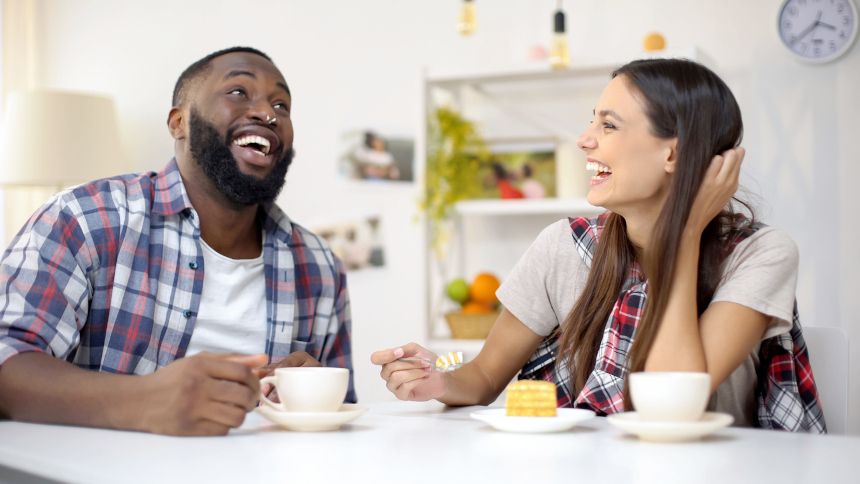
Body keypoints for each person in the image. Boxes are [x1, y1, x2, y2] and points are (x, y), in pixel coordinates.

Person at [372, 58, 826, 432]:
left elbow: (671, 405)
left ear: (673, 153)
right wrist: (438, 381)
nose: (584, 140)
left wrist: (685, 234)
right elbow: (486, 376)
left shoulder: (760, 254)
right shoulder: (564, 246)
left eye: (608, 125)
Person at [0, 47, 355, 436]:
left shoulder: (320, 265)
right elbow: (8, 360)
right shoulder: (84, 219)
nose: (268, 113)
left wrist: (311, 393)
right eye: (238, 91)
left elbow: (341, 414)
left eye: (281, 105)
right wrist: (141, 400)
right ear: (179, 122)